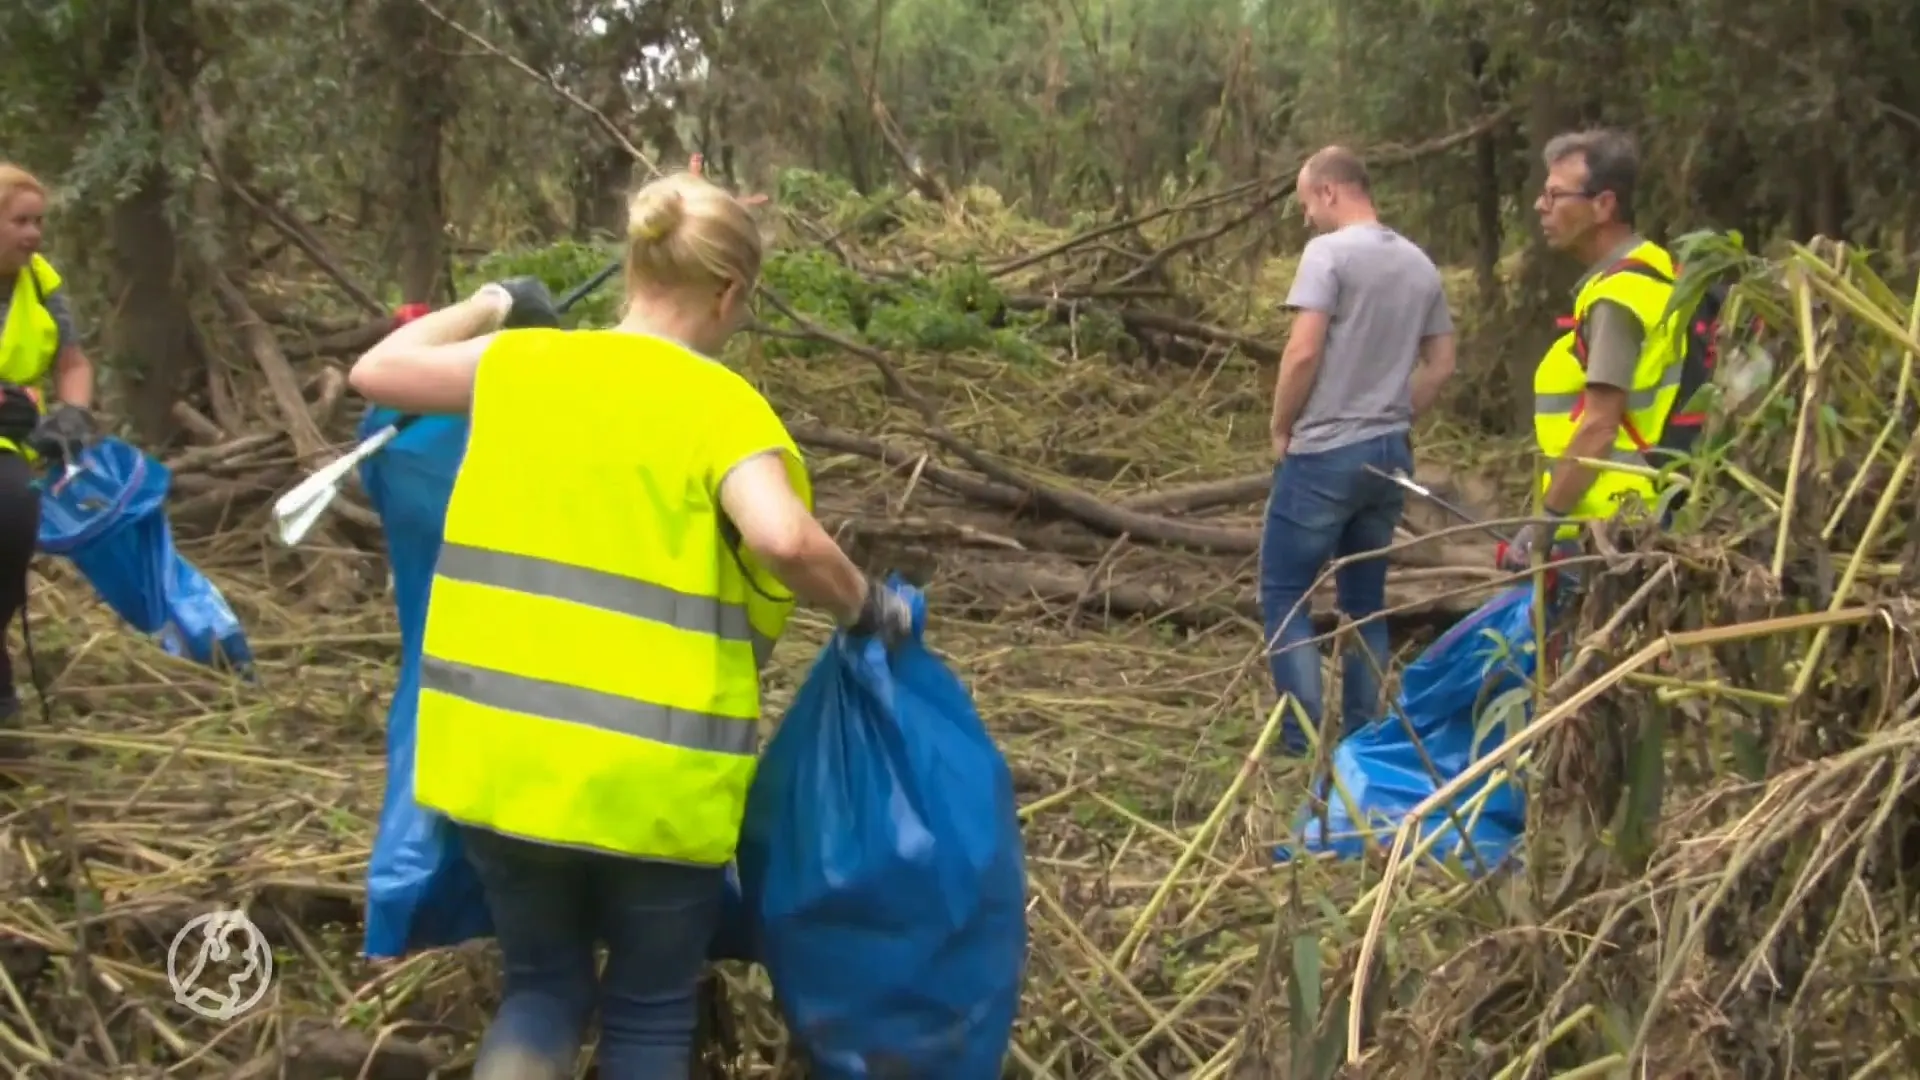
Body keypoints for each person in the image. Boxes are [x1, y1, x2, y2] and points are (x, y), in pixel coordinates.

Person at [346, 165, 912, 1079]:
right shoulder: (719, 404)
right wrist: (865, 607)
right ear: (729, 293)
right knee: (650, 1014)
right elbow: (779, 535)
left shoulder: (522, 364)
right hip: (651, 781)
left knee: (540, 990)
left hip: (500, 764)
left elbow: (374, 371)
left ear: (635, 266)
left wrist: (494, 300)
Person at [1261, 146, 1456, 753]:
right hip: (1389, 453)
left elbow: (1302, 352)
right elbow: (1443, 363)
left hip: (1325, 451)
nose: (1306, 222)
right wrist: (1395, 413)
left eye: (1305, 207)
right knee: (1365, 599)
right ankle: (1363, 732)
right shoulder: (1420, 265)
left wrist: (1280, 427)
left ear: (1328, 192)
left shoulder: (1328, 254)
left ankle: (1300, 736)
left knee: (1284, 591)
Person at [1501, 129, 1682, 571]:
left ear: (1603, 205)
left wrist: (1540, 528)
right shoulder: (1656, 272)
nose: (1540, 206)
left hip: (1619, 529)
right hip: (1646, 517)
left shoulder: (1617, 299)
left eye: (1555, 195)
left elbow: (1599, 428)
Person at [0, 164, 99, 734]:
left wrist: (72, 411)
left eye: (39, 222)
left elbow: (72, 361)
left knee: (13, 526)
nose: (34, 234)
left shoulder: (41, 281)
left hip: (10, 446)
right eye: (20, 222)